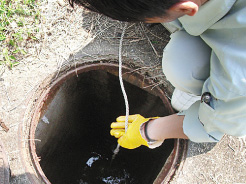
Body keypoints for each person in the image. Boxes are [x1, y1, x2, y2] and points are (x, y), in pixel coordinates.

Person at [69, 0, 246, 149]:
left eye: (149, 20)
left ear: (185, 8)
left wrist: (148, 131)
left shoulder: (239, 76)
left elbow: (212, 125)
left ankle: (210, 95)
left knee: (181, 67)